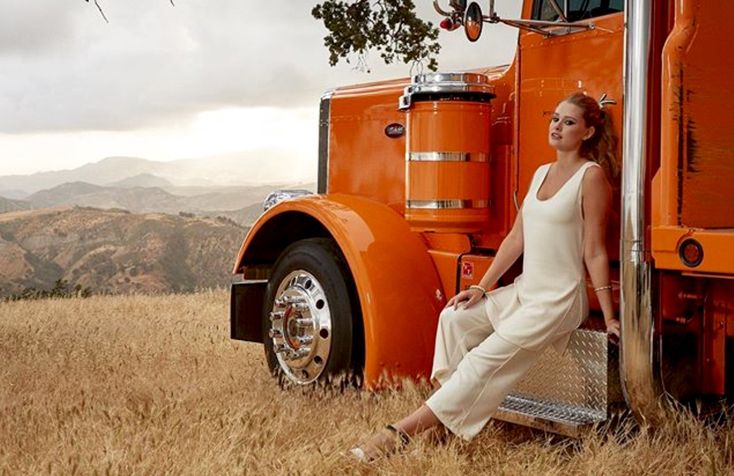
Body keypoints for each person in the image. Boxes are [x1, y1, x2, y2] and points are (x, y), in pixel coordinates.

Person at [350, 91, 621, 461]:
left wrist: (609, 317)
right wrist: (481, 287)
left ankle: (399, 433)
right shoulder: (542, 172)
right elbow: (516, 238)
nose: (557, 126)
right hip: (526, 292)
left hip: (558, 300)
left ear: (588, 132)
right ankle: (446, 422)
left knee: (482, 361)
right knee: (454, 318)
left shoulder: (592, 178)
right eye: (555, 118)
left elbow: (595, 250)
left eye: (569, 122)